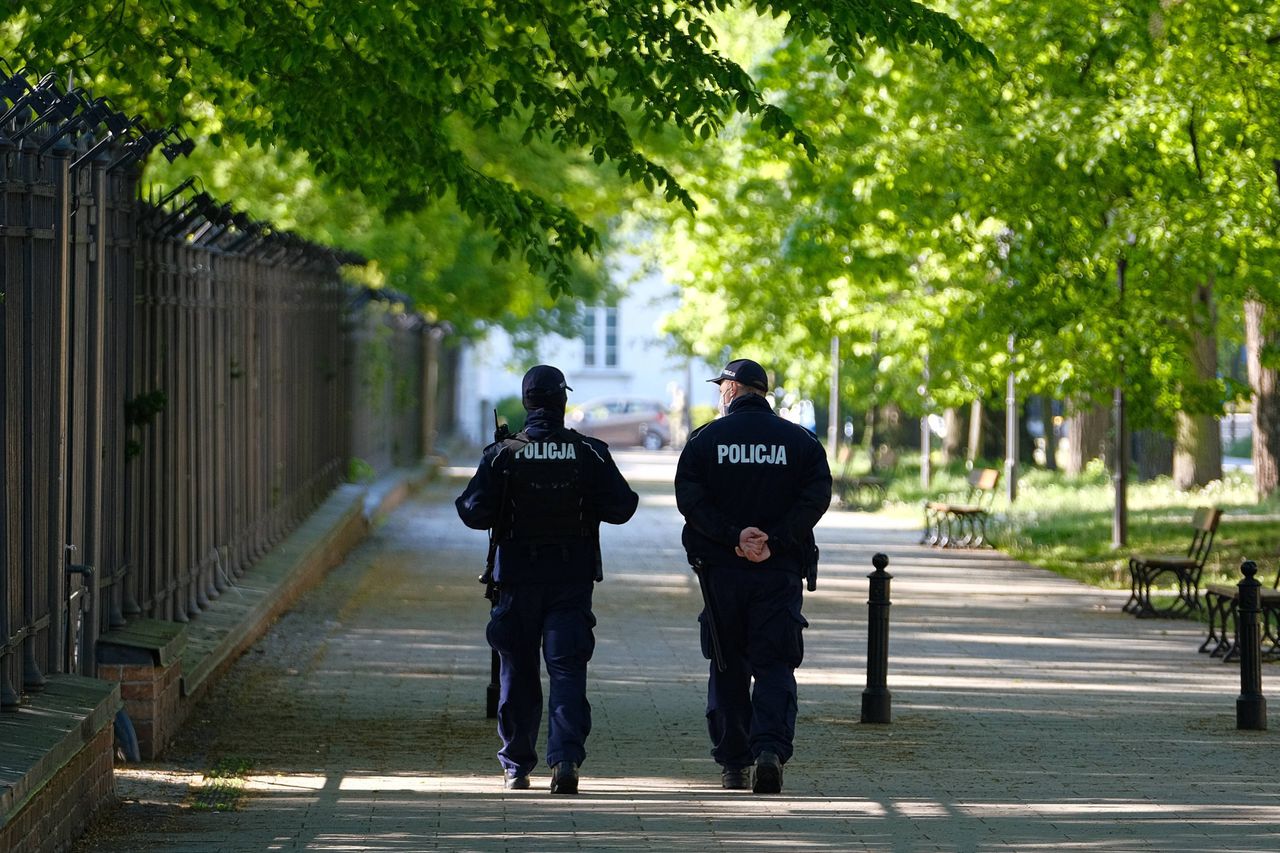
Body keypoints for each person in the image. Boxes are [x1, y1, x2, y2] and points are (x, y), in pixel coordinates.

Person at [456, 365, 638, 794]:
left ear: (527, 403)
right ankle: (566, 762)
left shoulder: (503, 454)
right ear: (562, 403)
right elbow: (623, 507)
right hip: (571, 581)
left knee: (517, 671)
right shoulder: (588, 452)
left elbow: (472, 512)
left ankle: (516, 767)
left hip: (516, 580)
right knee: (567, 670)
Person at [674, 358, 832, 794]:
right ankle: (769, 752)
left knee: (727, 664)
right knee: (775, 662)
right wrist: (775, 540)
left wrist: (733, 537)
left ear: (732, 390)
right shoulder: (799, 441)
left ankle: (733, 764)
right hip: (778, 571)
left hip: (722, 571)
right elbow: (816, 496)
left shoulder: (706, 440)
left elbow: (688, 496)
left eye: (721, 386)